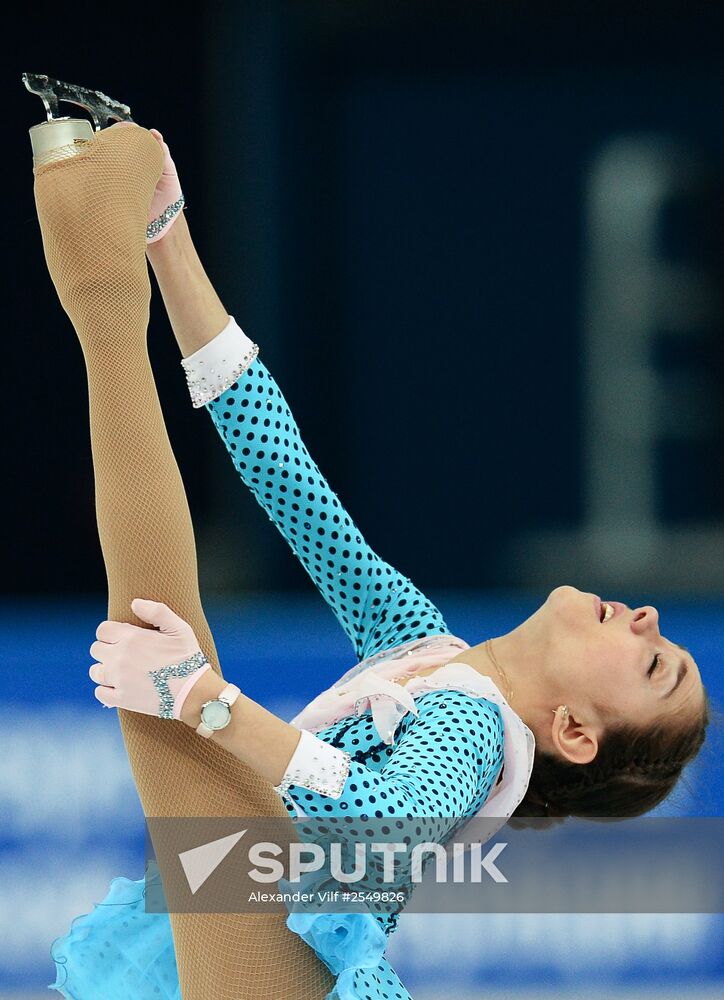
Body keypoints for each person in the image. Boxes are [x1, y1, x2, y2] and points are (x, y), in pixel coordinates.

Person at [45, 127, 710, 1000]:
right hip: (244, 895)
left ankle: (98, 285)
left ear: (575, 734)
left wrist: (206, 700)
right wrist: (171, 242)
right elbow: (291, 486)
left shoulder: (480, 734)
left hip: (283, 930)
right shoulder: (420, 645)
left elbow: (379, 825)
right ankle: (107, 275)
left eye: (656, 666)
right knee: (168, 689)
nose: (650, 620)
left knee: (164, 666)